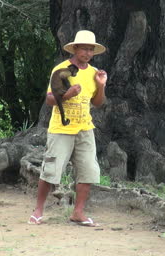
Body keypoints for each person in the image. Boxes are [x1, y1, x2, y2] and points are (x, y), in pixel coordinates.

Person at [28, 30, 107, 226]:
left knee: (88, 170)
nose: (87, 53)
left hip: (84, 127)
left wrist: (102, 85)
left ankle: (78, 213)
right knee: (51, 170)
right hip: (61, 128)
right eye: (84, 49)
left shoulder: (93, 73)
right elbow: (49, 99)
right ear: (75, 49)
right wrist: (68, 94)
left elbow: (98, 103)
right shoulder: (61, 69)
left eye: (91, 50)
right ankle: (38, 211)